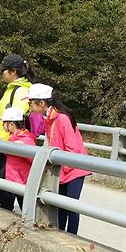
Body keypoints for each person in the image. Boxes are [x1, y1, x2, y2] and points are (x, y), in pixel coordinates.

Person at [24, 83, 90, 234]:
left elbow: (71, 147)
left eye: (30, 102)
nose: (29, 106)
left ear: (41, 103)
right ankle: (60, 233)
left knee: (71, 207)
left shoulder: (62, 118)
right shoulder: (49, 118)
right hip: (63, 168)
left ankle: (72, 237)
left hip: (74, 168)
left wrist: (62, 170)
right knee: (60, 206)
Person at [0, 54, 42, 211]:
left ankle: (22, 213)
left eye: (3, 70)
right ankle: (12, 209)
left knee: (3, 178)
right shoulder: (12, 89)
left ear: (12, 71)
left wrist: (1, 143)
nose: (1, 74)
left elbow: (13, 119)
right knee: (1, 178)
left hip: (8, 143)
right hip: (2, 142)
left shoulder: (20, 91)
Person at [0, 107, 37, 211]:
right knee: (6, 207)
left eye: (4, 123)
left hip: (22, 182)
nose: (3, 126)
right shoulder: (13, 137)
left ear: (11, 124)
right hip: (12, 179)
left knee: (26, 210)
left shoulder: (26, 140)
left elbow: (32, 157)